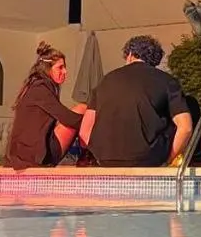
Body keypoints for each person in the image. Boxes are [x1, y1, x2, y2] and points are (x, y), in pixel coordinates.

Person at [79, 35, 192, 167]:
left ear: (130, 54)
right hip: (148, 159)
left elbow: (84, 131)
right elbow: (186, 127)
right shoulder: (167, 81)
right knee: (187, 106)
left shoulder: (105, 81)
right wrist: (167, 160)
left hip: (106, 159)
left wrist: (100, 153)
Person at [4, 42, 85, 170]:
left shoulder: (36, 86)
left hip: (24, 154)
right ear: (48, 68)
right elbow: (69, 119)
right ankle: (88, 157)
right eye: (60, 67)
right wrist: (97, 123)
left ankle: (87, 156)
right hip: (33, 157)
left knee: (80, 116)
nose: (65, 72)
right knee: (82, 109)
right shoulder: (40, 88)